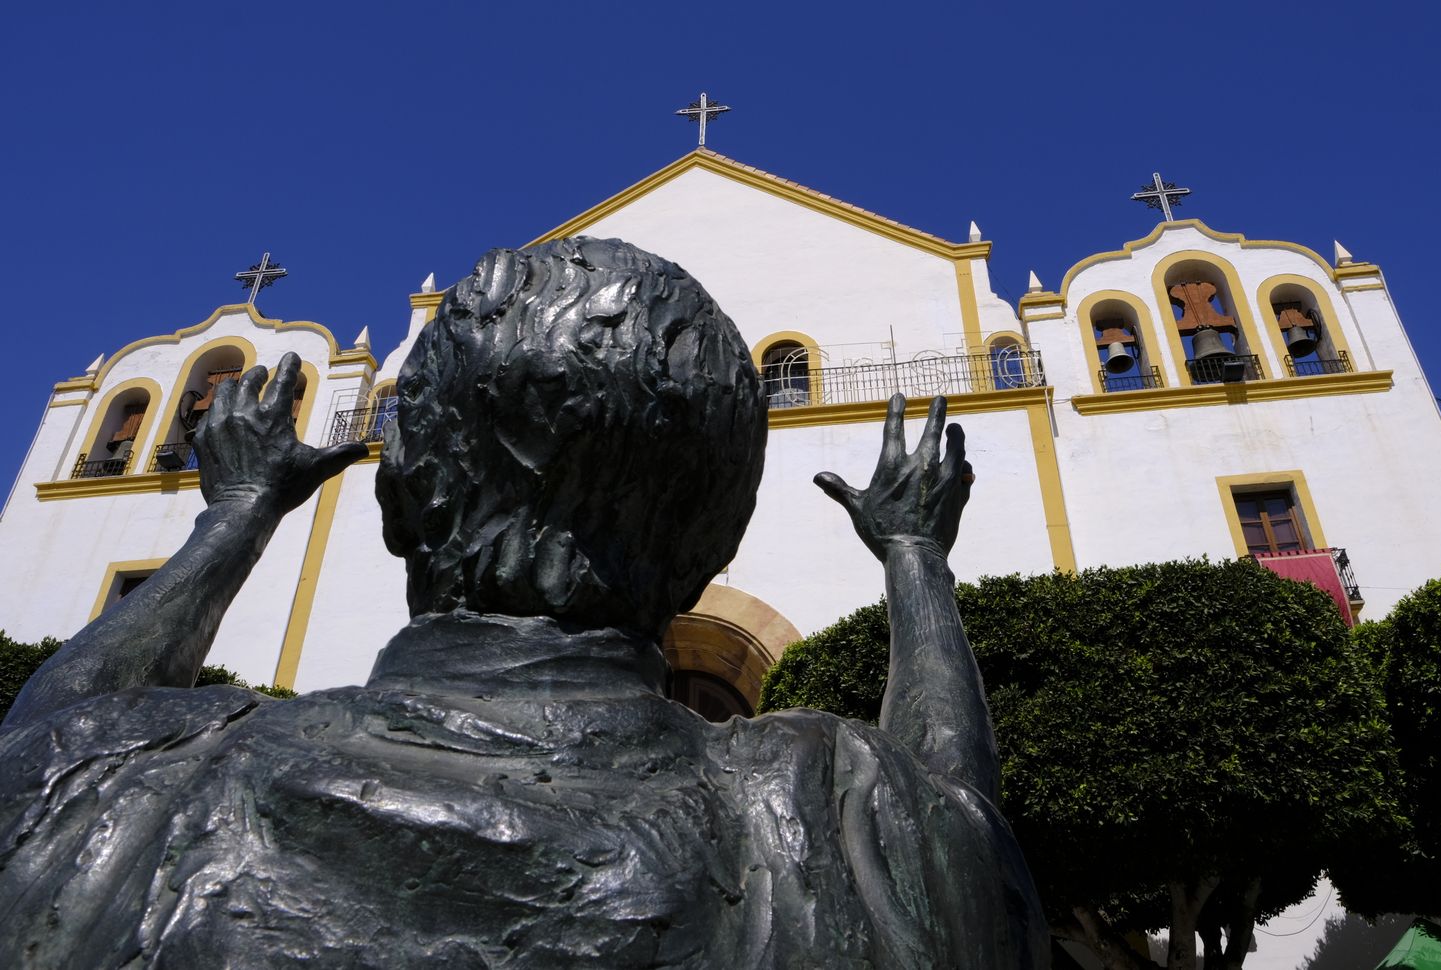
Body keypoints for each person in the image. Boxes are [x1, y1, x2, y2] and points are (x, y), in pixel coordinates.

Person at [0, 238, 1048, 968]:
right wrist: (914, 556)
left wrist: (236, 513)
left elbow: (57, 726)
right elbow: (955, 818)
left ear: (397, 495)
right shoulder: (832, 806)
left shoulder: (123, 782)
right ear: (713, 547)